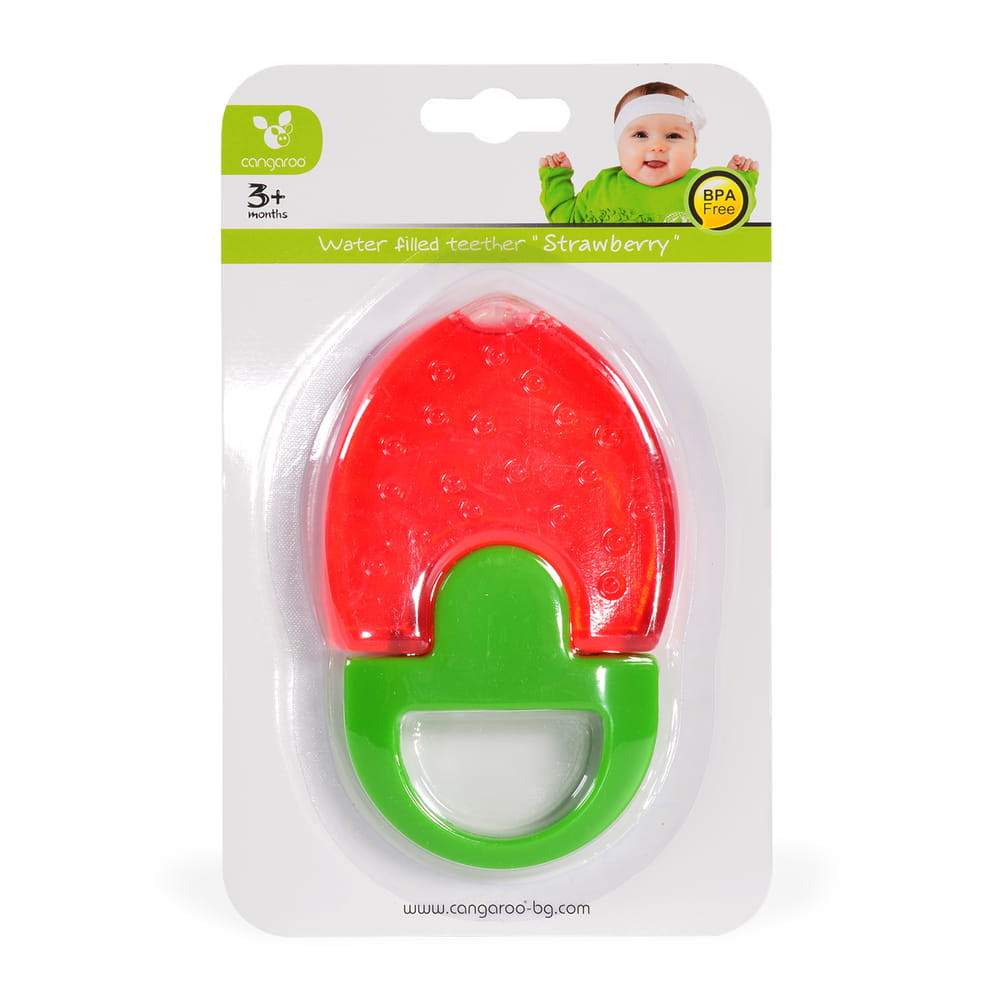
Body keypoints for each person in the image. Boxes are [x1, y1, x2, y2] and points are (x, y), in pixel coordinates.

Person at [539, 82, 759, 224]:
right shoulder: (602, 187)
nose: (657, 146)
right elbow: (566, 222)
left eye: (673, 136)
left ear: (694, 149)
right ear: (619, 145)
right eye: (640, 135)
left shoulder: (703, 189)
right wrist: (557, 179)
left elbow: (728, 222)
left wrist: (735, 184)